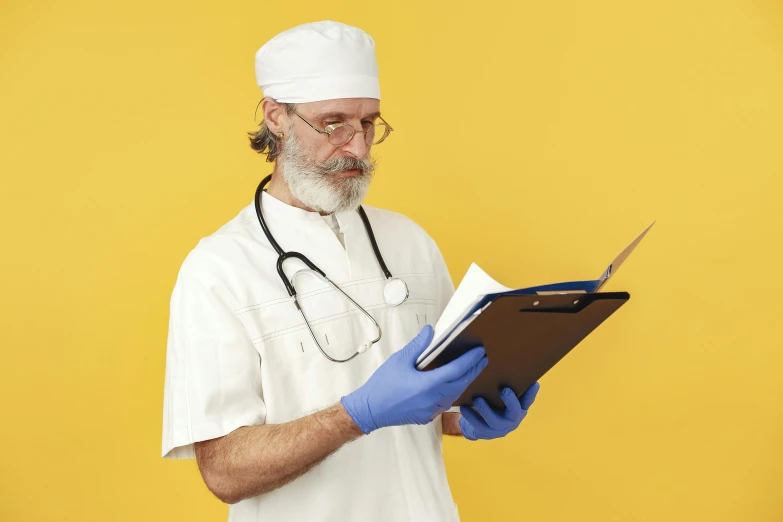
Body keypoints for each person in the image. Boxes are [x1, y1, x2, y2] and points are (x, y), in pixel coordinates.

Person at [161, 20, 541, 522]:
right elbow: (225, 473)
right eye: (333, 123)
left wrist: (470, 414)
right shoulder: (219, 270)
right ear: (275, 117)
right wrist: (356, 415)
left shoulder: (410, 241)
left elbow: (435, 398)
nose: (358, 148)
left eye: (368, 124)